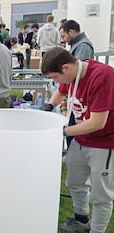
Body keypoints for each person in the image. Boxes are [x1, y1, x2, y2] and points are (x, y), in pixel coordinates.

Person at [41, 47, 114, 233]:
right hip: (81, 138)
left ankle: (97, 230)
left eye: (54, 77)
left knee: (101, 194)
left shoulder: (102, 76)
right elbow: (61, 92)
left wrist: (62, 131)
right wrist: (48, 108)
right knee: (74, 181)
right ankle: (81, 219)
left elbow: (98, 122)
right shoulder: (73, 74)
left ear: (65, 68)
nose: (54, 82)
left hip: (104, 142)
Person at [59, 19, 94, 149]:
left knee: (74, 130)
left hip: (79, 97)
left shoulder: (83, 46)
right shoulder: (77, 45)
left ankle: (74, 152)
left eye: (64, 36)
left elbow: (76, 73)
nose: (63, 39)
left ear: (72, 32)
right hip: (75, 95)